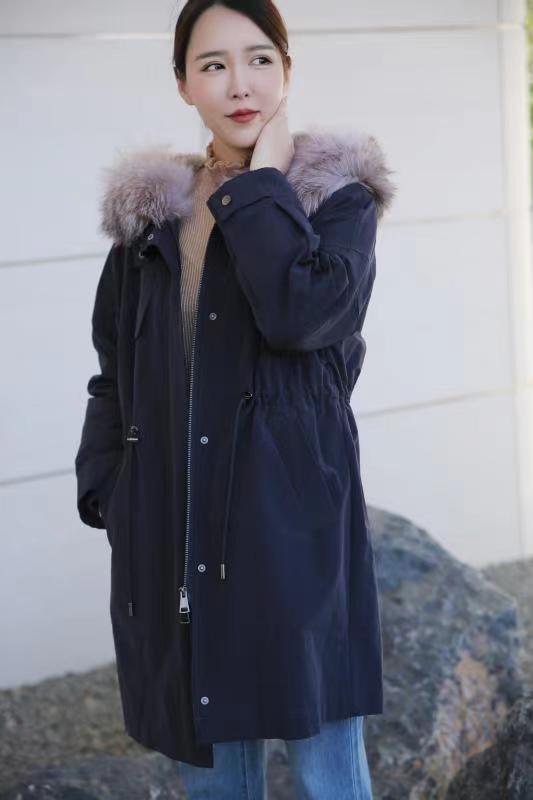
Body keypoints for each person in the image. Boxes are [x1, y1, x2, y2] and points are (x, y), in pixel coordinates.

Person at [74, 0, 397, 797]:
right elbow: (115, 366)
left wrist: (259, 186)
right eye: (212, 65)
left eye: (258, 59)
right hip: (175, 518)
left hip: (292, 520)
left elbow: (300, 315)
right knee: (213, 768)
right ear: (183, 83)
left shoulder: (335, 201)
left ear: (286, 70)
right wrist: (110, 487)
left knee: (326, 762)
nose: (239, 84)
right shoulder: (154, 217)